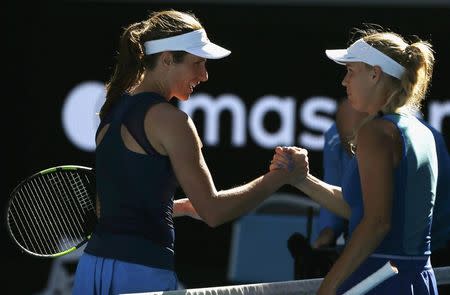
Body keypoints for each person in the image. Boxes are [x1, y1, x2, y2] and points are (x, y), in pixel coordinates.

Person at [72, 9, 307, 294]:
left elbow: (113, 207)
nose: (204, 75)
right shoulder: (173, 121)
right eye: (197, 63)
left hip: (91, 269)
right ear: (168, 59)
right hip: (141, 274)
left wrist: (178, 207)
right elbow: (214, 212)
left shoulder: (112, 111)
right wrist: (280, 176)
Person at [271, 26, 439, 294]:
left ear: (375, 74)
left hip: (379, 279)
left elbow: (376, 222)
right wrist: (302, 180)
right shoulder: (422, 132)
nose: (344, 81)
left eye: (351, 71)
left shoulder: (376, 132)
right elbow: (362, 209)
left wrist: (329, 286)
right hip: (417, 280)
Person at [313, 99, 367, 249]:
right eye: (348, 147)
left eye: (357, 146)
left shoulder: (405, 139)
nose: (353, 153)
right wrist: (328, 232)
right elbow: (332, 187)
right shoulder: (334, 138)